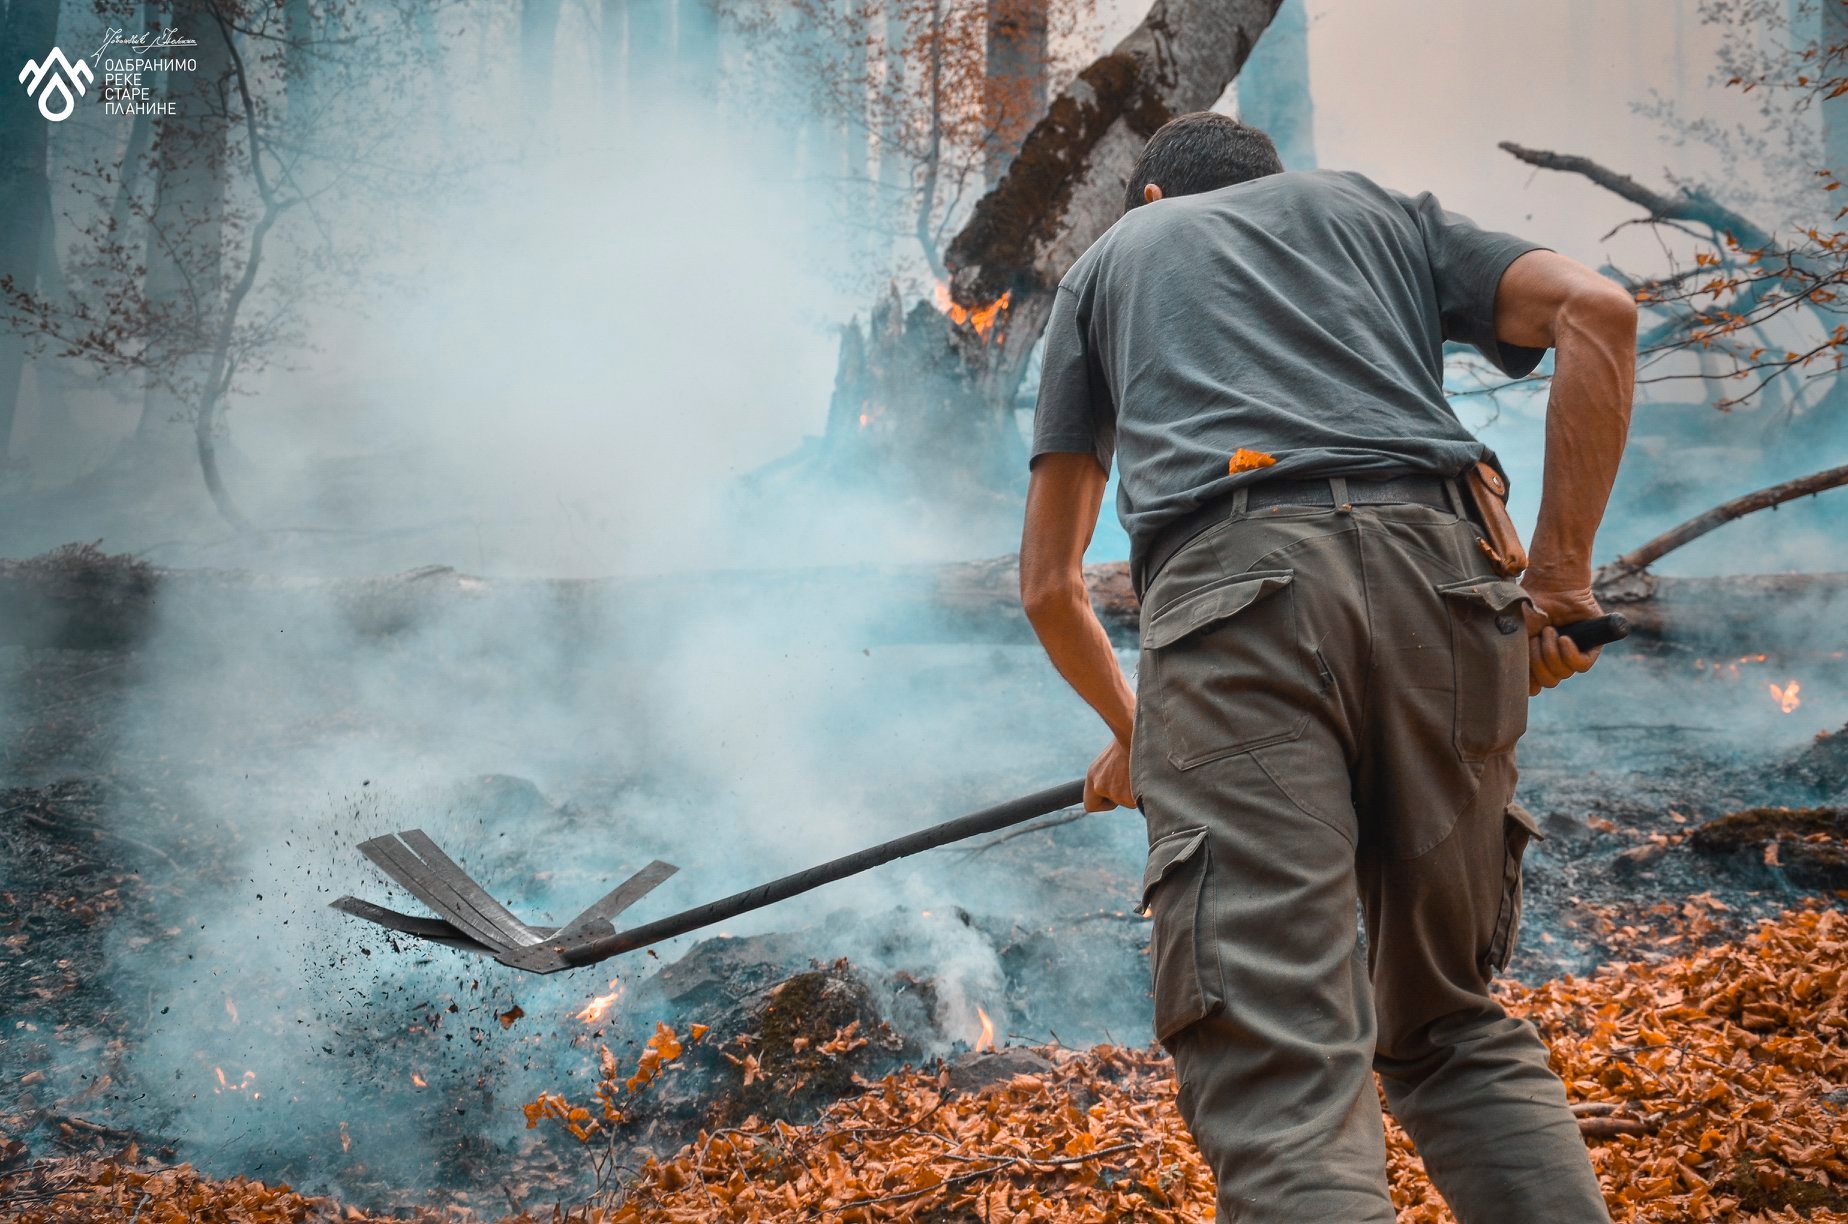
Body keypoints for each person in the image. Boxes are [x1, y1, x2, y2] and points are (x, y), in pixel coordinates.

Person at [1018, 111, 1634, 1222]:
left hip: (1232, 600)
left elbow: (1050, 587)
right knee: (1448, 1023)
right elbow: (1601, 312)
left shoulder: (1113, 262)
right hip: (1447, 583)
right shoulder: (1379, 215)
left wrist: (1139, 727)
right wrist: (1559, 585)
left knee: (1287, 1074)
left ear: (1151, 200)